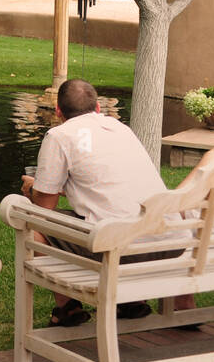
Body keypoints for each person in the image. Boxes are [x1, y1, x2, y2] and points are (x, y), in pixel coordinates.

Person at [21, 78, 195, 327]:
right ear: (99, 108)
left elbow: (45, 206)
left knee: (34, 226)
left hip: (122, 251)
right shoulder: (121, 129)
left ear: (58, 111)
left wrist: (33, 188)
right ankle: (139, 302)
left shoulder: (59, 135)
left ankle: (67, 307)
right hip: (172, 243)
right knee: (117, 219)